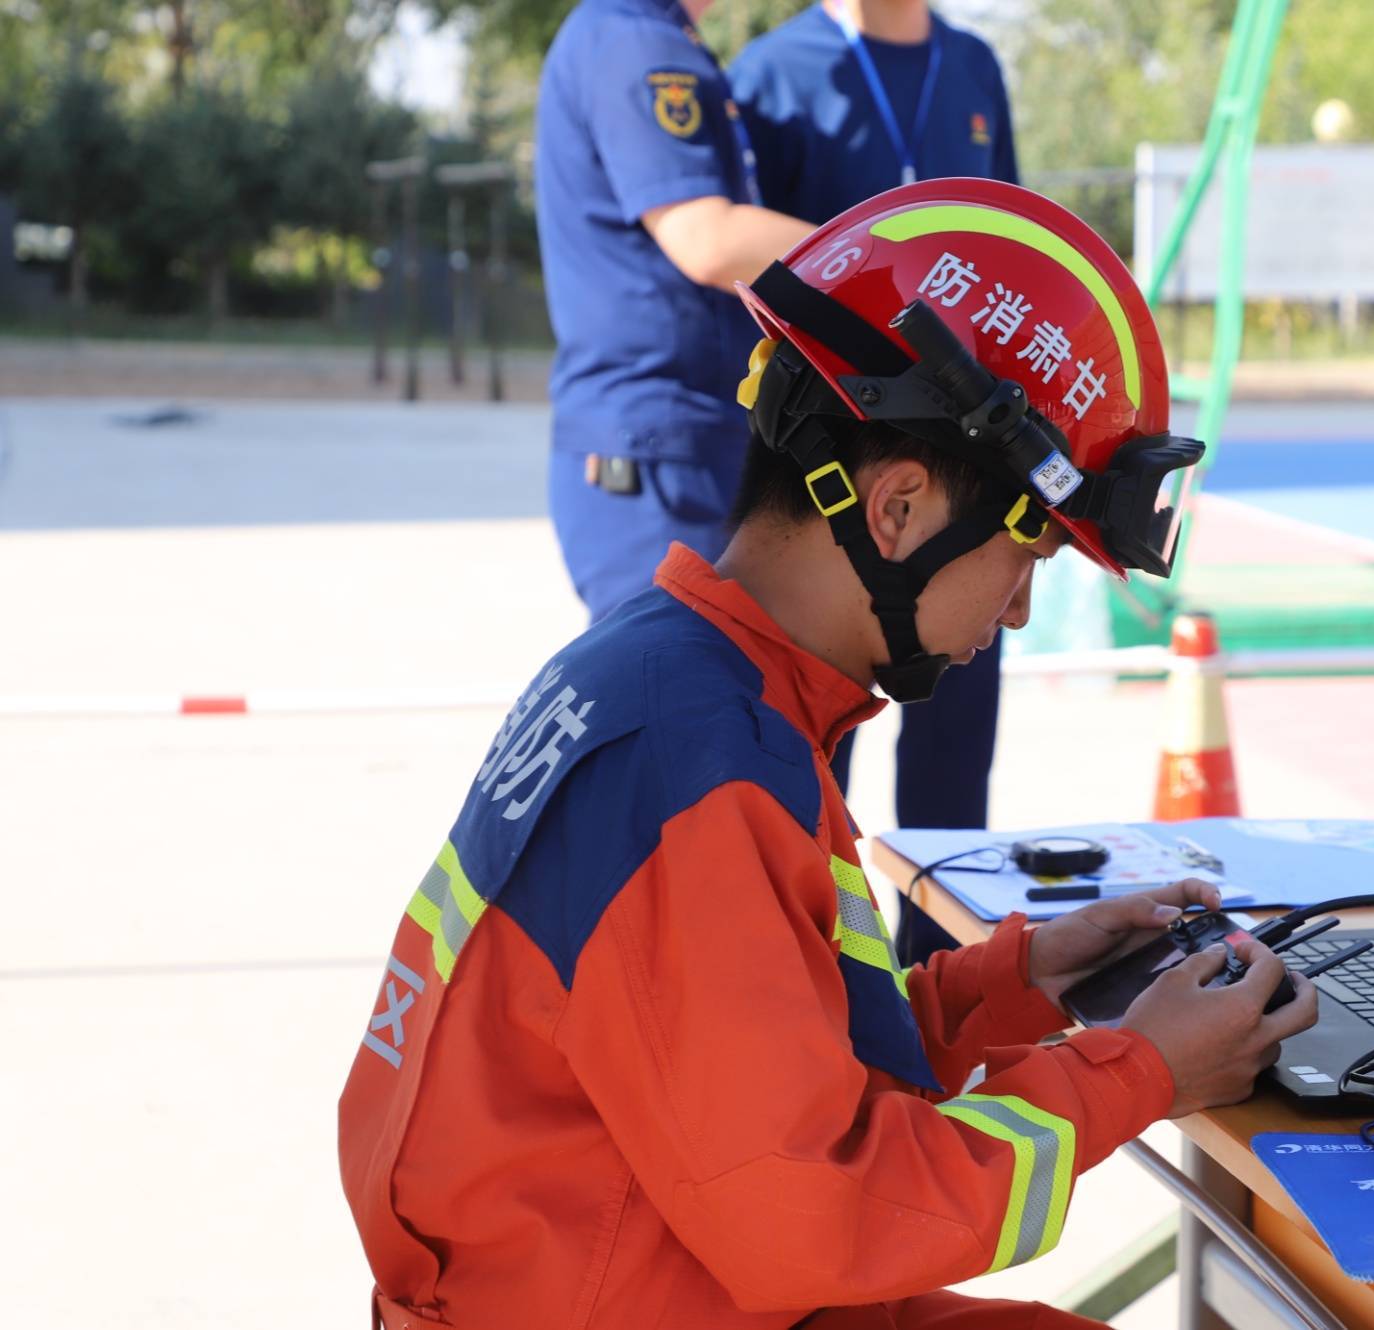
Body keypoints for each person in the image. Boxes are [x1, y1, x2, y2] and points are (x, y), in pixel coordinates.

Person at [338, 180, 1315, 1329]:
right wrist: (1136, 1071)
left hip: (648, 1271)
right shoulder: (700, 767)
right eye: (1030, 557)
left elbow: (760, 1061)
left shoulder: (682, 682)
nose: (1011, 615)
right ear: (896, 509)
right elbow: (819, 1216)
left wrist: (1020, 980)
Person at [730, 0, 1020, 845]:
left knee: (955, 756)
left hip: (968, 463)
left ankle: (946, 963)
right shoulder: (770, 73)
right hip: (834, 465)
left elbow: (1009, 250)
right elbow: (744, 272)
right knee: (815, 744)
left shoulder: (972, 66)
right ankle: (819, 961)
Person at [535, 0, 815, 620]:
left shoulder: (645, 34)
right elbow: (706, 240)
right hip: (660, 446)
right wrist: (893, 255)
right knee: (676, 696)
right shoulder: (637, 43)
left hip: (678, 441)